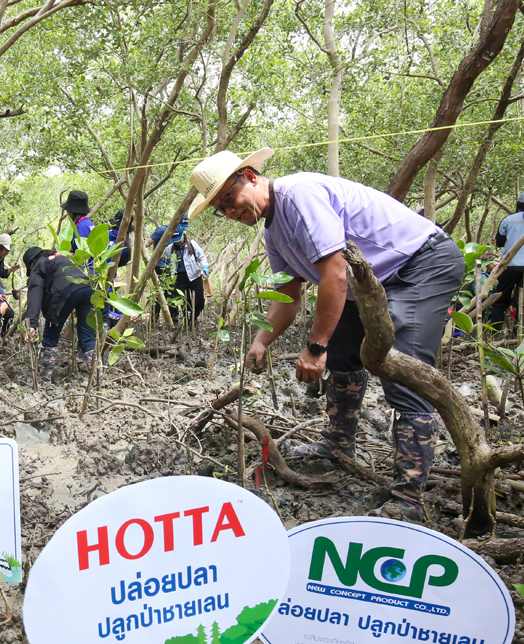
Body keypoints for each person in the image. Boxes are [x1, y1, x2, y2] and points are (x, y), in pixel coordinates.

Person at [188, 148, 464, 512]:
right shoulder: (274, 232)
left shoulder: (297, 196)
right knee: (346, 351)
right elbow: (288, 296)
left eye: (229, 197)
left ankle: (410, 496)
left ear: (251, 177)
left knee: (403, 372)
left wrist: (315, 347)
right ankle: (337, 442)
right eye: (220, 208)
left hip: (420, 265)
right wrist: (261, 340)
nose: (229, 210)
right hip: (368, 281)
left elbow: (333, 273)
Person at [22, 246, 95, 380]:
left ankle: (44, 378)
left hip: (64, 291)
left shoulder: (38, 265)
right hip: (89, 286)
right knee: (88, 337)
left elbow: (35, 293)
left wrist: (32, 324)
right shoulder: (63, 257)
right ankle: (97, 378)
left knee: (50, 337)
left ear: (32, 262)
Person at [160, 225, 209, 328]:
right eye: (175, 240)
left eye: (179, 239)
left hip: (194, 276)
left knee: (200, 300)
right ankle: (188, 321)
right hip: (179, 278)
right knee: (185, 301)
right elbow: (161, 256)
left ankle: (194, 318)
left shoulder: (193, 245)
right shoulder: (170, 248)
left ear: (184, 235)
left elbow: (202, 257)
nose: (178, 242)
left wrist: (205, 268)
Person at [489, 192, 524, 329]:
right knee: (521, 301)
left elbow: (500, 242)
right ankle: (519, 333)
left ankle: (495, 333)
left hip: (509, 266)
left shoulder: (508, 220)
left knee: (500, 300)